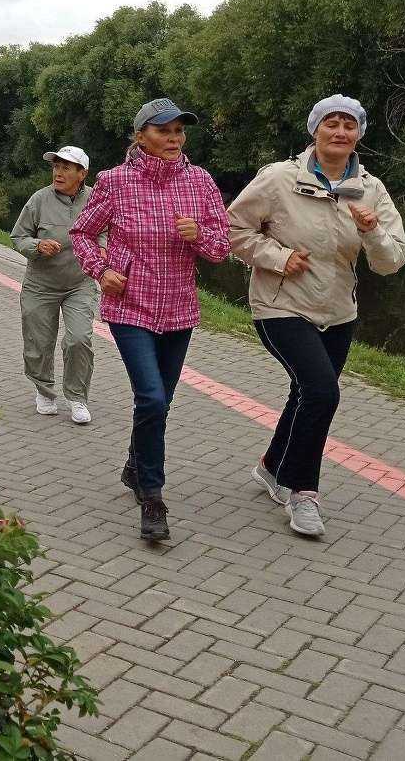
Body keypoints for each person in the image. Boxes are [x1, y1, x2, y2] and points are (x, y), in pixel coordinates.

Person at [227, 94, 405, 537]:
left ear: (359, 134)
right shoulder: (279, 179)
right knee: (323, 393)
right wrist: (278, 257)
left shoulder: (371, 189)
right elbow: (232, 229)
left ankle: (272, 467)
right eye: (332, 123)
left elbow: (392, 261)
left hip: (339, 312)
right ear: (315, 129)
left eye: (349, 125)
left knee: (305, 392)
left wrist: (372, 232)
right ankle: (301, 490)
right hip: (280, 306)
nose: (340, 132)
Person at [70, 99, 230, 542]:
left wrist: (199, 235)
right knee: (152, 398)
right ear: (141, 136)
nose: (174, 138)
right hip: (130, 306)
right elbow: (82, 233)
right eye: (163, 131)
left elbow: (221, 248)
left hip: (179, 309)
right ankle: (153, 499)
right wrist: (102, 270)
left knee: (159, 401)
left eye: (179, 131)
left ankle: (134, 466)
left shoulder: (200, 182)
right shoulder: (114, 182)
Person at [11, 146, 97, 426]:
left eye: (65, 168)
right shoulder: (39, 199)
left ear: (82, 174)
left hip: (80, 284)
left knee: (79, 339)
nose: (58, 173)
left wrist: (103, 249)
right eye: (55, 167)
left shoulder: (95, 199)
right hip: (41, 284)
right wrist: (37, 246)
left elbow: (107, 230)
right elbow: (18, 237)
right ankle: (44, 391)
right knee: (38, 342)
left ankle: (77, 397)